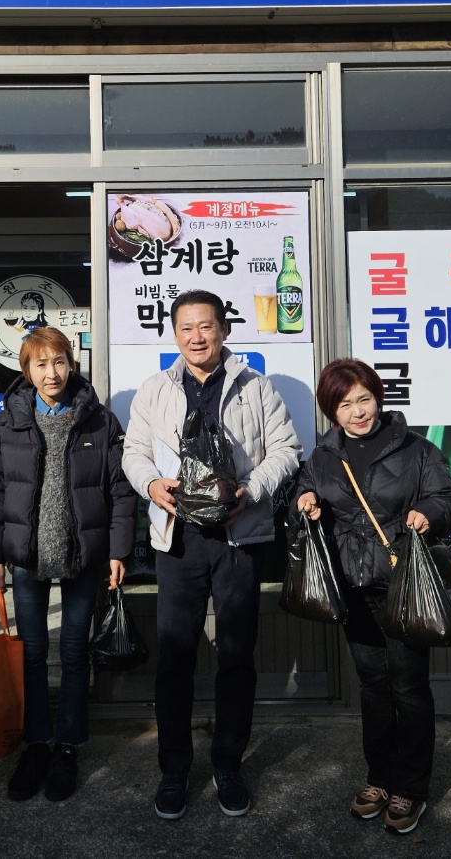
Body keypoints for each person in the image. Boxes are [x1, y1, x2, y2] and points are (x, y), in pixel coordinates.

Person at [122, 290, 302, 820]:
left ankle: (228, 764)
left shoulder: (254, 386)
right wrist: (153, 485)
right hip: (178, 540)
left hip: (238, 538)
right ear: (174, 334)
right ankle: (174, 771)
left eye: (206, 326)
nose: (197, 337)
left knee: (236, 656)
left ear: (223, 330)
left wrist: (249, 491)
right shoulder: (156, 389)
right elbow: (132, 453)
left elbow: (287, 450)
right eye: (186, 328)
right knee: (175, 657)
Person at [289, 359, 451, 835]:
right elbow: (304, 492)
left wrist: (428, 512)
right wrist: (304, 502)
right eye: (345, 404)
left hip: (402, 586)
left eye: (364, 399)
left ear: (378, 397)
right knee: (372, 685)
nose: (357, 411)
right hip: (351, 587)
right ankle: (379, 778)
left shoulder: (415, 449)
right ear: (331, 410)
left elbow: (448, 500)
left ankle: (412, 787)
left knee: (408, 686)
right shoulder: (323, 455)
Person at [0, 325, 137, 803]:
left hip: (81, 556)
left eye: (59, 361)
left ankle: (67, 745)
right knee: (30, 655)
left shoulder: (98, 421)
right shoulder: (7, 422)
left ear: (72, 364)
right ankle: (37, 745)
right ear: (26, 370)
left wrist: (117, 551)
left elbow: (120, 490)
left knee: (72, 654)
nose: (52, 373)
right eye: (41, 364)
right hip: (25, 556)